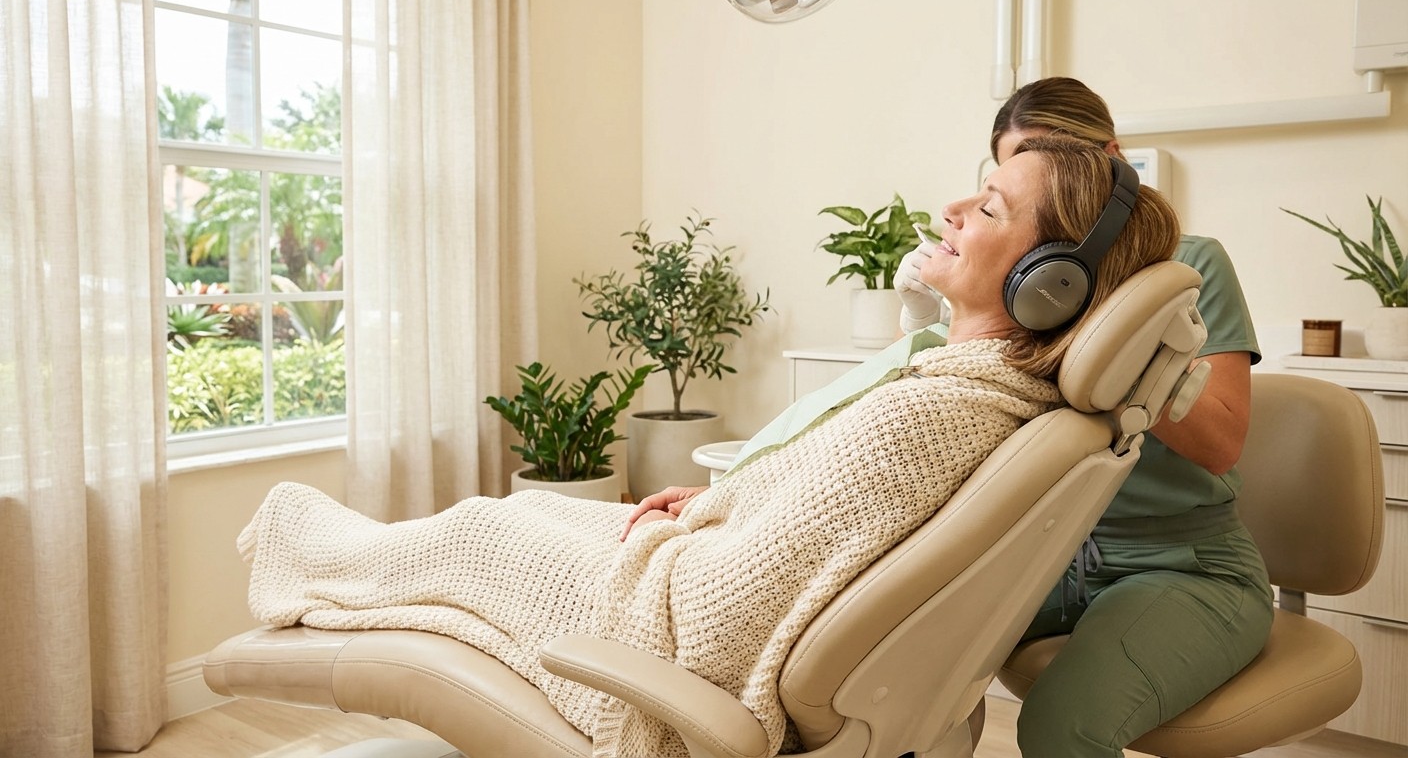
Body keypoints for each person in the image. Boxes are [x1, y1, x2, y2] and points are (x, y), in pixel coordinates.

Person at [239, 137, 1179, 758]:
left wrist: (676, 541)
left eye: (988, 207)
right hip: (693, 565)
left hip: (673, 615)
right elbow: (820, 531)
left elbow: (725, 620)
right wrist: (709, 506)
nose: (952, 209)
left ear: (1046, 284)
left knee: (485, 525)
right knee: (527, 508)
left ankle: (297, 548)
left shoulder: (931, 417)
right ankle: (326, 552)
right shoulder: (993, 403)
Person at [895, 77, 1272, 758]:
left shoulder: (1184, 270)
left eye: (1064, 165)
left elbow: (1219, 443)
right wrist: (943, 318)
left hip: (1180, 564)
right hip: (1045, 551)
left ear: (1113, 162)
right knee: (892, 674)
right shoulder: (1020, 287)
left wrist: (1114, 341)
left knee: (1062, 726)